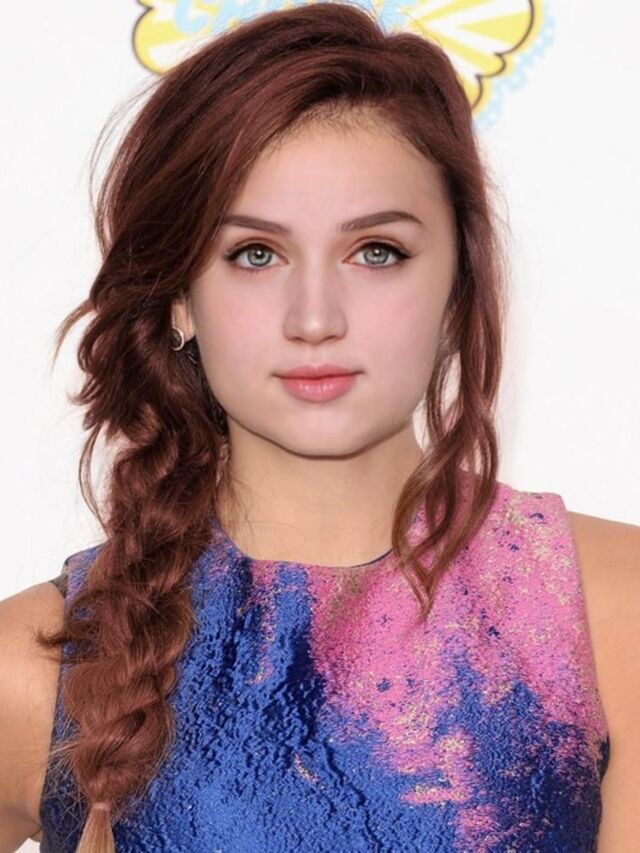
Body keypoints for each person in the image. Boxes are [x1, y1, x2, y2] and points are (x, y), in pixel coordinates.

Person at [1, 2, 638, 851]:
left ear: (459, 286)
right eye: (255, 254)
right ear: (181, 296)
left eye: (377, 251)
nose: (314, 318)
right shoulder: (37, 664)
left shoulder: (611, 609)